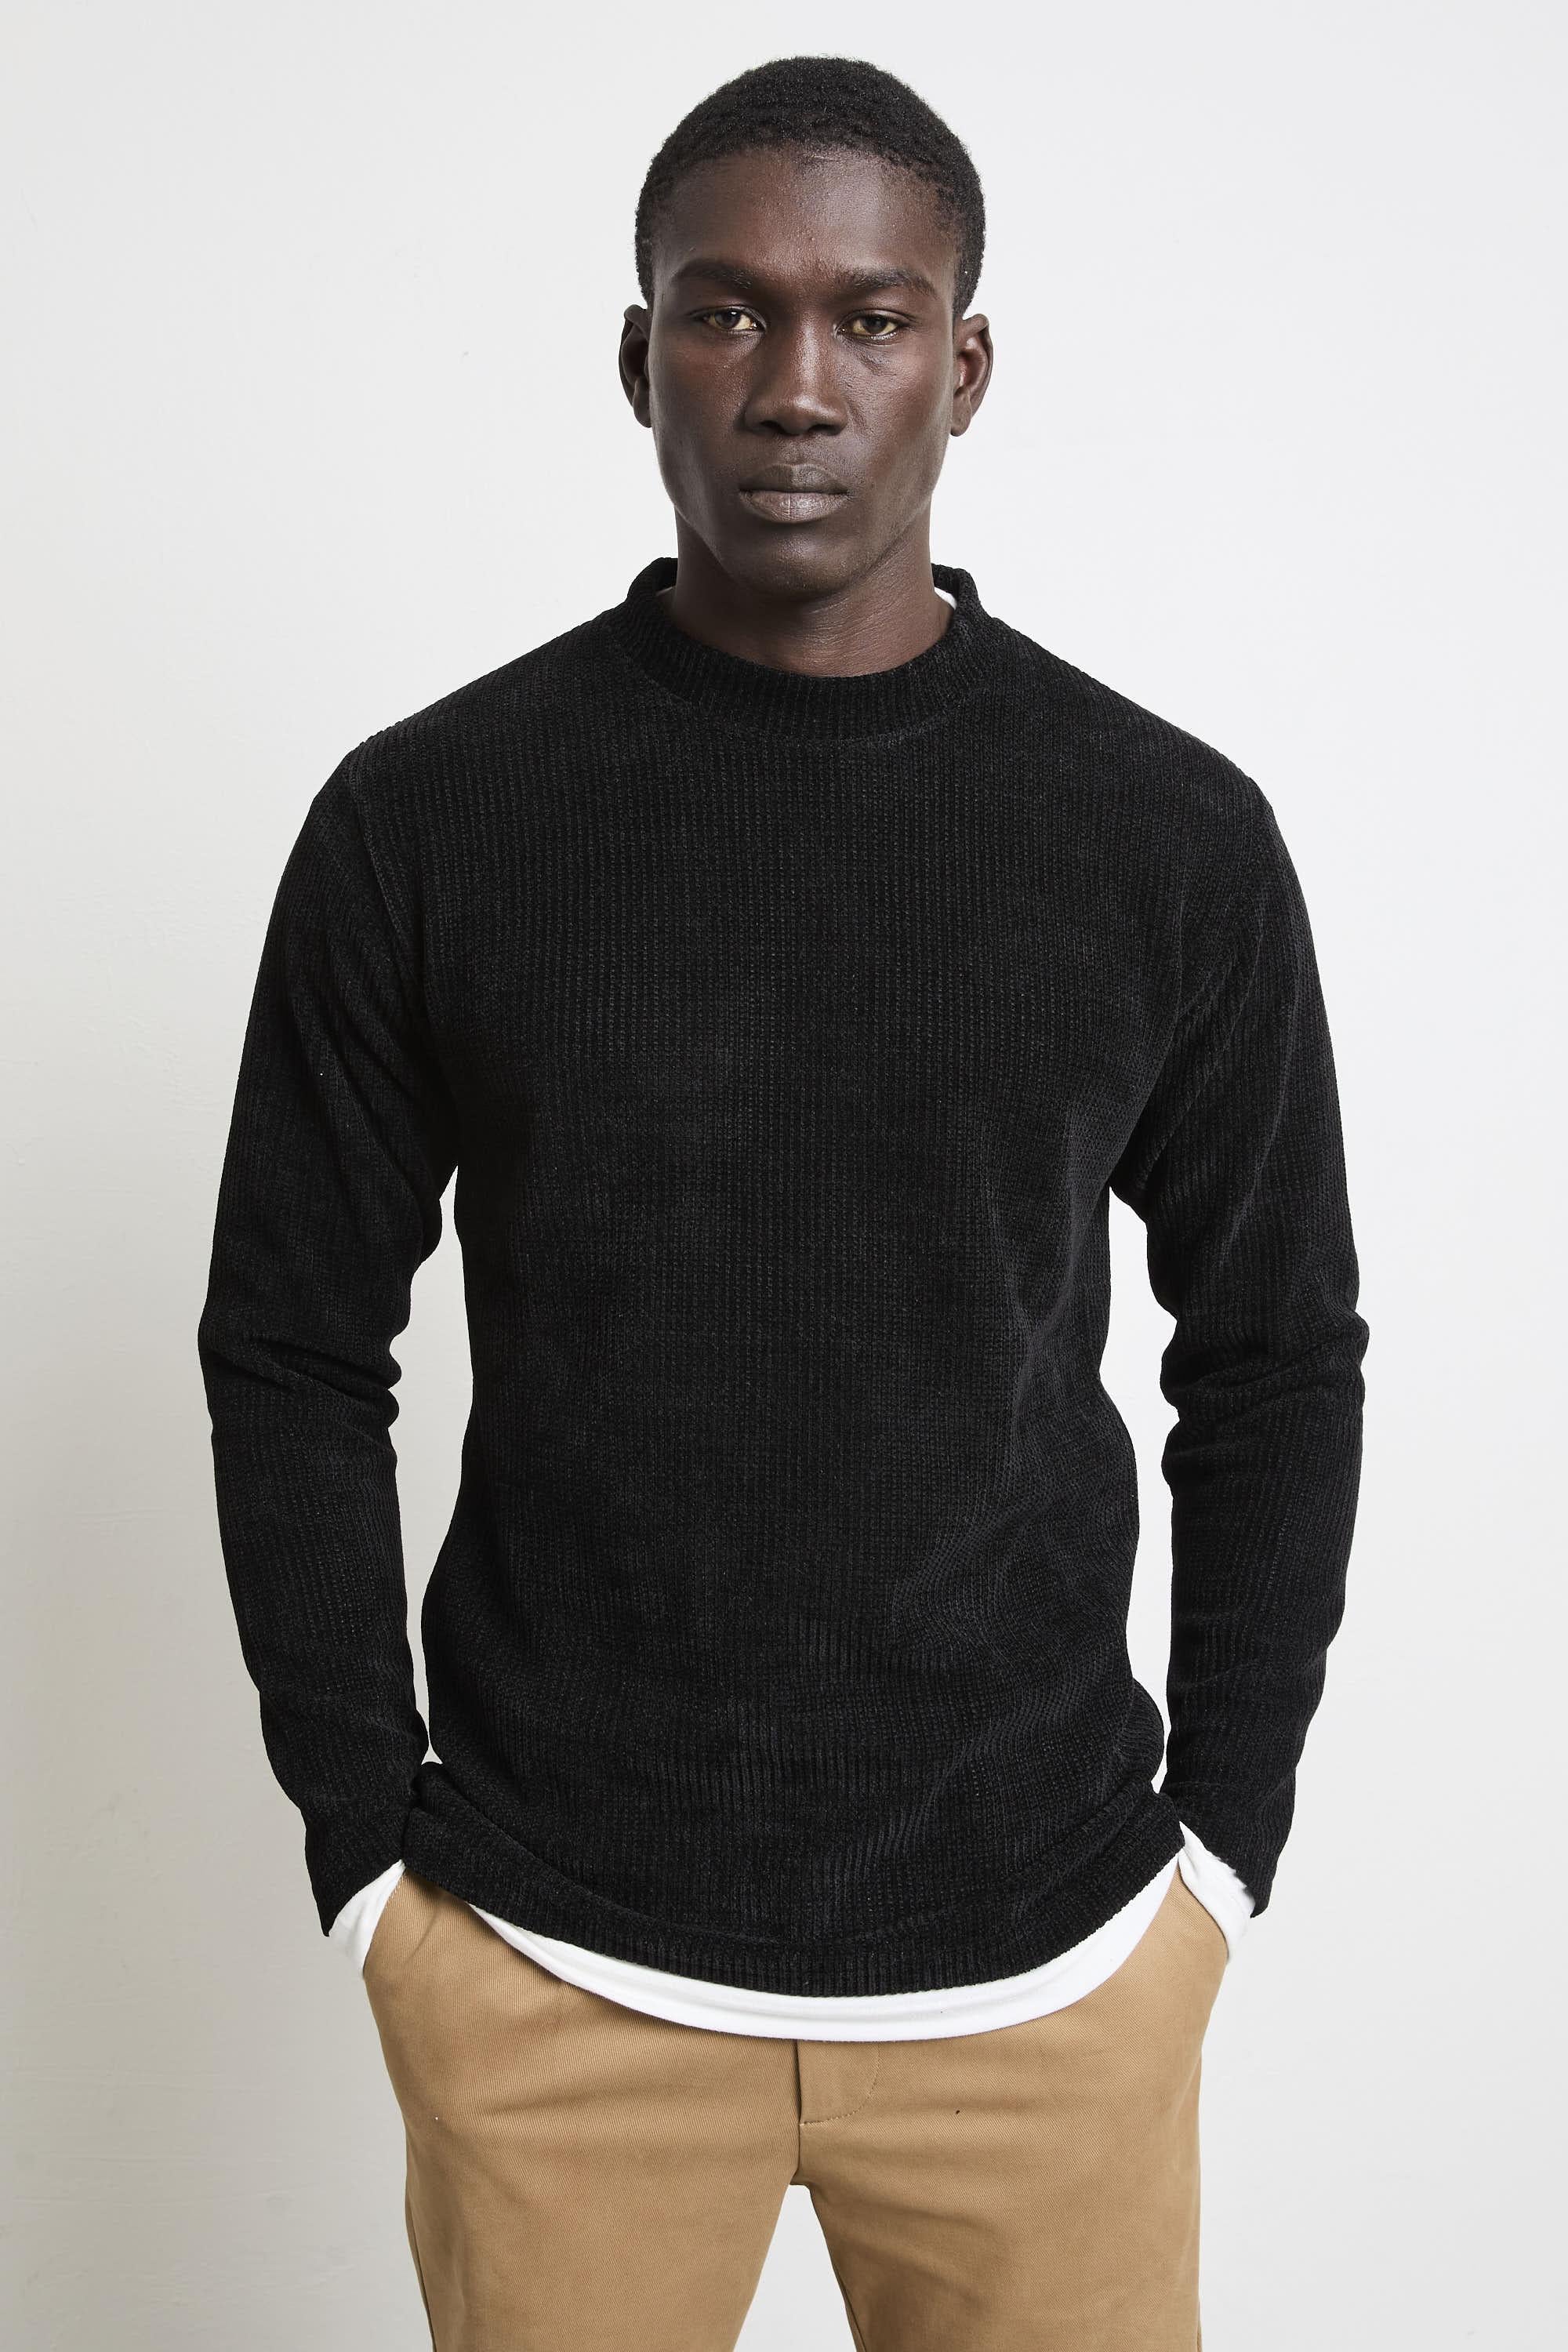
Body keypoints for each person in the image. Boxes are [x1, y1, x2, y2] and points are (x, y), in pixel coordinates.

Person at [197, 51, 1368, 2352]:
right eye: (726, 312)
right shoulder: (431, 821)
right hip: (552, 1966)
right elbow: (294, 1347)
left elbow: (1274, 1360)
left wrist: (1221, 1858)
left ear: (967, 363)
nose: (797, 385)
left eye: (871, 318)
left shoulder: (1164, 837)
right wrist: (364, 1862)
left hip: (1050, 1973)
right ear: (639, 356)